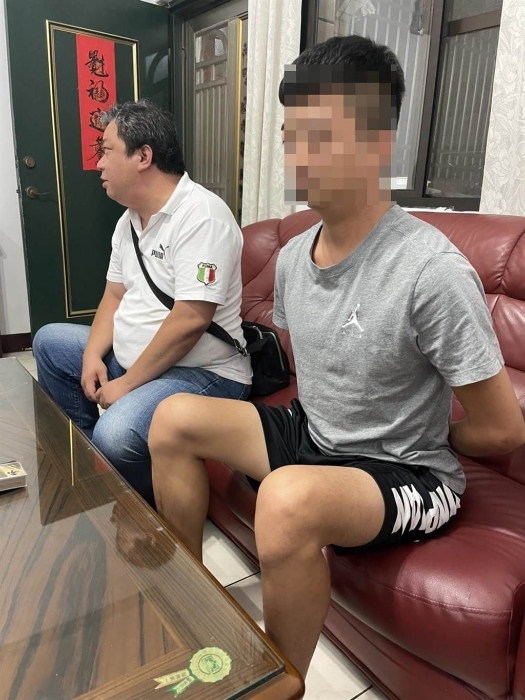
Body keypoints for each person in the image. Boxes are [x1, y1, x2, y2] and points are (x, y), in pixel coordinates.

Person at [148, 36, 525, 681]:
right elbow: (320, 372)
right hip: (317, 436)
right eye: (291, 135)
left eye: (319, 135)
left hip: (408, 473)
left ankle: (281, 686)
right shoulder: (294, 257)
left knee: (287, 500)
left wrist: (431, 436)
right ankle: (189, 612)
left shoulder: (431, 270)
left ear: (378, 143)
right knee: (173, 418)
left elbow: (503, 428)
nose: (298, 153)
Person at [33, 99, 251, 508]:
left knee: (116, 433)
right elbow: (114, 295)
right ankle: (96, 478)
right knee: (50, 342)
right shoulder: (129, 221)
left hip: (201, 373)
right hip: (140, 365)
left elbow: (191, 319)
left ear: (143, 156)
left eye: (106, 151)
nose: (99, 164)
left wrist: (127, 384)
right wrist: (92, 356)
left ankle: (148, 510)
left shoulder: (202, 216)